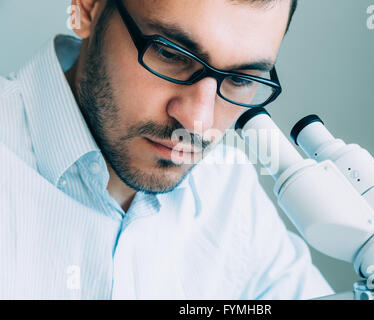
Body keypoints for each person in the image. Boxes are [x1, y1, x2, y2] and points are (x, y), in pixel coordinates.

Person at [0, 0, 333, 299]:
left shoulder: (230, 192)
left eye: (241, 79)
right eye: (170, 53)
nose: (198, 123)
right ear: (88, 7)